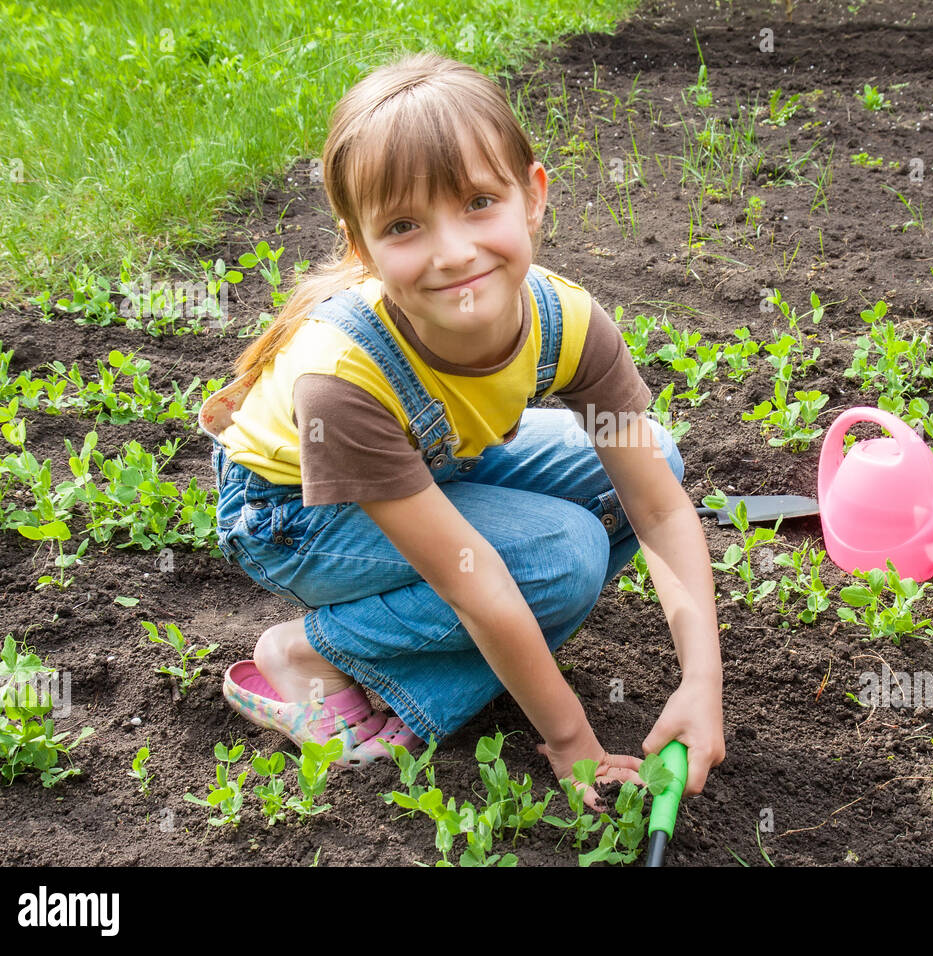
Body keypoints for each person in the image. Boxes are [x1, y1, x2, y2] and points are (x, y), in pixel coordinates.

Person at [198, 51, 725, 809]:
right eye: (406, 225)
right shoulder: (340, 380)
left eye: (479, 202)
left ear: (533, 196)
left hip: (427, 466)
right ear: (361, 246)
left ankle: (406, 654)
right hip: (292, 514)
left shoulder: (568, 321)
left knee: (652, 461)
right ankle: (308, 654)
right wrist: (573, 741)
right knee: (560, 559)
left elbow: (660, 508)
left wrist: (701, 682)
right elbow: (473, 582)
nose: (453, 252)